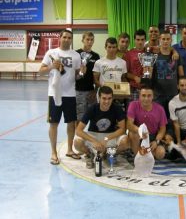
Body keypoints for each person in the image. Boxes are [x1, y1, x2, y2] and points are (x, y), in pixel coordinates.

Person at [39, 29, 82, 165]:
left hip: (70, 94)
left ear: (71, 40)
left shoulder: (76, 55)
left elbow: (77, 75)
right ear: (60, 38)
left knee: (71, 123)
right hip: (55, 93)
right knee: (54, 124)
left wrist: (81, 73)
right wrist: (52, 66)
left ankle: (69, 150)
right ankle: (53, 152)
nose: (67, 39)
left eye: (69, 38)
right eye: (64, 37)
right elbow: (41, 71)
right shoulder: (51, 53)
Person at [75, 86, 128, 168]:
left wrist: (107, 138)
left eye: (109, 98)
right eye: (104, 98)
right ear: (99, 98)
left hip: (110, 136)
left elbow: (122, 129)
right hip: (94, 135)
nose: (107, 101)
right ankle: (90, 154)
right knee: (77, 142)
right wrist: (94, 141)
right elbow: (78, 130)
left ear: (112, 98)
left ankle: (108, 154)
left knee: (125, 141)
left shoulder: (117, 108)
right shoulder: (92, 108)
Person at [127, 86, 167, 159]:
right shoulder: (133, 105)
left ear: (153, 97)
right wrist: (140, 130)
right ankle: (138, 158)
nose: (146, 98)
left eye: (149, 96)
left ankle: (145, 153)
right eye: (143, 95)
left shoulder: (160, 109)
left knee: (160, 153)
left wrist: (156, 141)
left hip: (152, 137)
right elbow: (129, 124)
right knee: (133, 133)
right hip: (138, 136)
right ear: (139, 96)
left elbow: (162, 129)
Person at [152, 30, 184, 120]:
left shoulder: (177, 56)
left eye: (168, 39)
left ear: (171, 40)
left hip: (173, 94)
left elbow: (181, 75)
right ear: (159, 40)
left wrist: (181, 90)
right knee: (158, 118)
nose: (165, 41)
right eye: (163, 39)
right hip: (158, 94)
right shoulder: (154, 55)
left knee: (172, 119)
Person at [76, 31, 100, 123]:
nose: (89, 42)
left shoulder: (96, 56)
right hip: (78, 91)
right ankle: (78, 137)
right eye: (87, 39)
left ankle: (90, 137)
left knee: (93, 118)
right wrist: (80, 73)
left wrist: (95, 91)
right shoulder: (76, 54)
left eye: (91, 40)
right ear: (83, 40)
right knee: (79, 119)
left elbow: (97, 76)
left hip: (91, 91)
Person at [124, 29, 147, 101]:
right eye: (138, 39)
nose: (140, 42)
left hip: (147, 88)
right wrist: (134, 77)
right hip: (133, 88)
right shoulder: (129, 54)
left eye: (142, 39)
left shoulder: (149, 52)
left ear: (145, 40)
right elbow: (125, 73)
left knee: (145, 111)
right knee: (132, 111)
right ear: (134, 40)